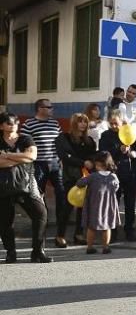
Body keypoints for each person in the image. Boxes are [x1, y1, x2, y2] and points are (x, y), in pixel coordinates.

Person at [0, 112, 50, 263]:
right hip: (3, 185)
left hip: (26, 184)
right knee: (5, 221)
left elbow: (32, 156)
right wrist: (21, 158)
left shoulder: (25, 139)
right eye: (9, 123)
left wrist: (7, 156)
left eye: (15, 122)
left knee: (41, 214)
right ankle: (11, 252)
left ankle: (37, 251)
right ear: (1, 126)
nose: (14, 125)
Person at [22, 99, 65, 247]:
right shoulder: (29, 124)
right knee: (38, 196)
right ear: (40, 108)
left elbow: (60, 141)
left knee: (61, 194)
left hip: (55, 163)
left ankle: (60, 233)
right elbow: (23, 143)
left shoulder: (55, 123)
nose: (52, 109)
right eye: (49, 107)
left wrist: (60, 158)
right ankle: (42, 230)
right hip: (38, 164)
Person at [56, 113, 98, 246]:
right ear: (74, 123)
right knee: (67, 207)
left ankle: (78, 234)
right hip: (70, 176)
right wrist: (83, 163)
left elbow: (93, 155)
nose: (83, 124)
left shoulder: (89, 140)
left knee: (83, 208)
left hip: (86, 177)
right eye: (80, 122)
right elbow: (65, 156)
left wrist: (91, 161)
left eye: (85, 122)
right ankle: (60, 235)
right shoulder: (64, 138)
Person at [99, 112, 136, 242]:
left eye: (115, 123)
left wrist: (134, 153)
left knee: (130, 204)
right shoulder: (106, 135)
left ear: (122, 122)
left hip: (130, 173)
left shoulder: (131, 132)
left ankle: (129, 229)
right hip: (114, 174)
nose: (113, 126)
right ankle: (113, 231)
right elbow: (103, 153)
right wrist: (119, 150)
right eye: (110, 123)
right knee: (113, 203)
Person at [75, 151, 120, 254]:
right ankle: (106, 247)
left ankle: (90, 247)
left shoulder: (93, 176)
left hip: (94, 206)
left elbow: (79, 184)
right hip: (108, 206)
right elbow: (116, 188)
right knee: (107, 227)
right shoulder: (113, 177)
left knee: (91, 227)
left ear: (97, 164)